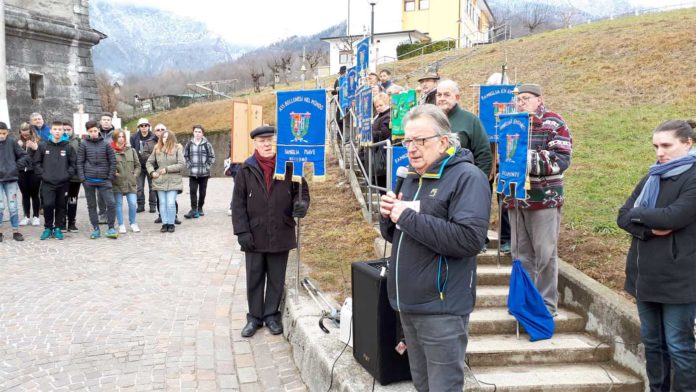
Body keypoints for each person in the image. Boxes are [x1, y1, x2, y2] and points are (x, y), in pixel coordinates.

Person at [379, 104, 490, 391]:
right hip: (408, 305)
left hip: (442, 309)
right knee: (423, 386)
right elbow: (400, 236)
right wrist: (389, 216)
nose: (412, 148)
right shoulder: (411, 178)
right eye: (407, 141)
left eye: (420, 141)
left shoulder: (467, 177)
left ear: (443, 141)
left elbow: (469, 239)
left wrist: (406, 215)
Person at [617, 119, 696, 391]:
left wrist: (640, 215)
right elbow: (622, 217)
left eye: (666, 145)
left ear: (689, 143)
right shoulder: (652, 176)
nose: (659, 153)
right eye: (656, 146)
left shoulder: (693, 177)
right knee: (653, 345)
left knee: (679, 347)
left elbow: (675, 216)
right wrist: (650, 229)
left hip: (679, 280)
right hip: (644, 277)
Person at [232, 126, 309, 338]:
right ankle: (254, 318)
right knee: (254, 277)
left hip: (280, 229)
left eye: (270, 140)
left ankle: (271, 315)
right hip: (254, 233)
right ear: (255, 144)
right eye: (262, 141)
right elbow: (237, 204)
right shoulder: (246, 169)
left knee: (276, 277)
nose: (266, 144)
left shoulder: (288, 165)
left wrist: (301, 204)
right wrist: (242, 232)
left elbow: (301, 192)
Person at [503, 84, 572, 316]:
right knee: (519, 255)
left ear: (539, 100)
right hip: (516, 199)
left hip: (545, 199)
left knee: (545, 253)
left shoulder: (554, 122)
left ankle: (546, 305)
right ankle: (525, 301)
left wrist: (524, 158)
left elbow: (561, 159)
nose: (520, 102)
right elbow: (504, 158)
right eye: (518, 99)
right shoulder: (511, 123)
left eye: (525, 98)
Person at [436, 79, 492, 176]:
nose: (442, 98)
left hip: (462, 179)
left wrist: (477, 181)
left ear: (457, 97)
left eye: (446, 95)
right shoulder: (431, 120)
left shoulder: (470, 120)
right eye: (439, 95)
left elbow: (484, 155)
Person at [33, 120, 76, 240]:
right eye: (55, 129)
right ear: (51, 130)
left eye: (60, 129)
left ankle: (57, 228)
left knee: (61, 205)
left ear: (63, 131)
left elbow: (73, 164)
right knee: (48, 205)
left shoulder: (68, 147)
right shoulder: (43, 145)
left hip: (63, 183)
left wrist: (67, 175)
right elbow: (36, 163)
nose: (57, 131)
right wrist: (43, 175)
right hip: (47, 182)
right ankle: (48, 228)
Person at [78, 120, 118, 240]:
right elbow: (79, 162)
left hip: (104, 180)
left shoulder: (106, 144)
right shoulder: (84, 144)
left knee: (111, 204)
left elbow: (113, 161)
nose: (93, 133)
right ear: (88, 132)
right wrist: (83, 179)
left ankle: (111, 227)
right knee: (91, 206)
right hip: (89, 180)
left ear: (99, 130)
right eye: (91, 131)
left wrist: (110, 177)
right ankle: (96, 228)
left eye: (95, 130)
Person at [146, 129, 184, 233]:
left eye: (167, 137)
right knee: (162, 203)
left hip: (174, 179)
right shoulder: (157, 149)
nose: (165, 139)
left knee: (171, 203)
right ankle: (165, 223)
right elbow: (149, 163)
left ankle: (171, 223)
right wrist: (152, 172)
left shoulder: (177, 149)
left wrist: (167, 169)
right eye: (163, 137)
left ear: (171, 139)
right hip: (160, 180)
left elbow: (181, 164)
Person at [0, 121, 30, 242]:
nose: (1, 135)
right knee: (0, 207)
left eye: (4, 133)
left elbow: (25, 156)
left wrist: (15, 167)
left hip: (11, 179)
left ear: (7, 132)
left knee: (13, 206)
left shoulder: (12, 142)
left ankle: (15, 231)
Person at [111, 129, 141, 234]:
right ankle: (121, 224)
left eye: (123, 136)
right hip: (117, 182)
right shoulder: (111, 151)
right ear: (115, 138)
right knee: (118, 204)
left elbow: (138, 165)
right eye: (119, 137)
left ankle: (133, 223)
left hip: (130, 182)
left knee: (133, 203)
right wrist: (114, 173)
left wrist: (135, 175)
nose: (121, 139)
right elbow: (108, 165)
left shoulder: (131, 150)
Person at [183, 124, 215, 219]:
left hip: (204, 174)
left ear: (202, 133)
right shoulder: (189, 144)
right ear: (193, 133)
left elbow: (212, 157)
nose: (197, 133)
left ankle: (200, 207)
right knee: (193, 191)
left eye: (199, 132)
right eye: (196, 131)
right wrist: (189, 165)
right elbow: (185, 156)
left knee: (202, 192)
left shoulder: (207, 144)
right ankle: (193, 209)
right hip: (193, 173)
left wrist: (207, 166)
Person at [16, 122, 42, 226]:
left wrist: (36, 148)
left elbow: (42, 155)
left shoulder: (38, 141)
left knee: (35, 195)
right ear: (20, 132)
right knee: (25, 195)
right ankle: (26, 216)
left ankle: (36, 216)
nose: (25, 136)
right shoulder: (17, 142)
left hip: (34, 171)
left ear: (31, 132)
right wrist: (18, 147)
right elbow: (14, 157)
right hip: (22, 172)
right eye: (23, 134)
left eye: (27, 134)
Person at [130, 118, 158, 213]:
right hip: (139, 166)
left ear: (149, 126)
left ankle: (152, 205)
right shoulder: (133, 137)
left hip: (151, 166)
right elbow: (132, 151)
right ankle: (140, 205)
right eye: (142, 126)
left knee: (152, 187)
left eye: (146, 125)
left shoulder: (154, 137)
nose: (144, 127)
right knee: (139, 187)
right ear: (139, 127)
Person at [63, 121, 82, 232]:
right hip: (62, 177)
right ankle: (62, 222)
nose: (66, 132)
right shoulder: (58, 141)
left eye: (68, 130)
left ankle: (71, 222)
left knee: (72, 200)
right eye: (64, 129)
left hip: (75, 178)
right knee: (62, 200)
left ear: (72, 130)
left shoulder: (78, 141)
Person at [371, 92, 391, 191]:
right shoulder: (379, 116)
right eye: (377, 106)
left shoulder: (388, 116)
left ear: (387, 103)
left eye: (381, 105)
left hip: (383, 151)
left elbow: (385, 133)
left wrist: (371, 134)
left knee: (382, 179)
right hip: (378, 150)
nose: (378, 108)